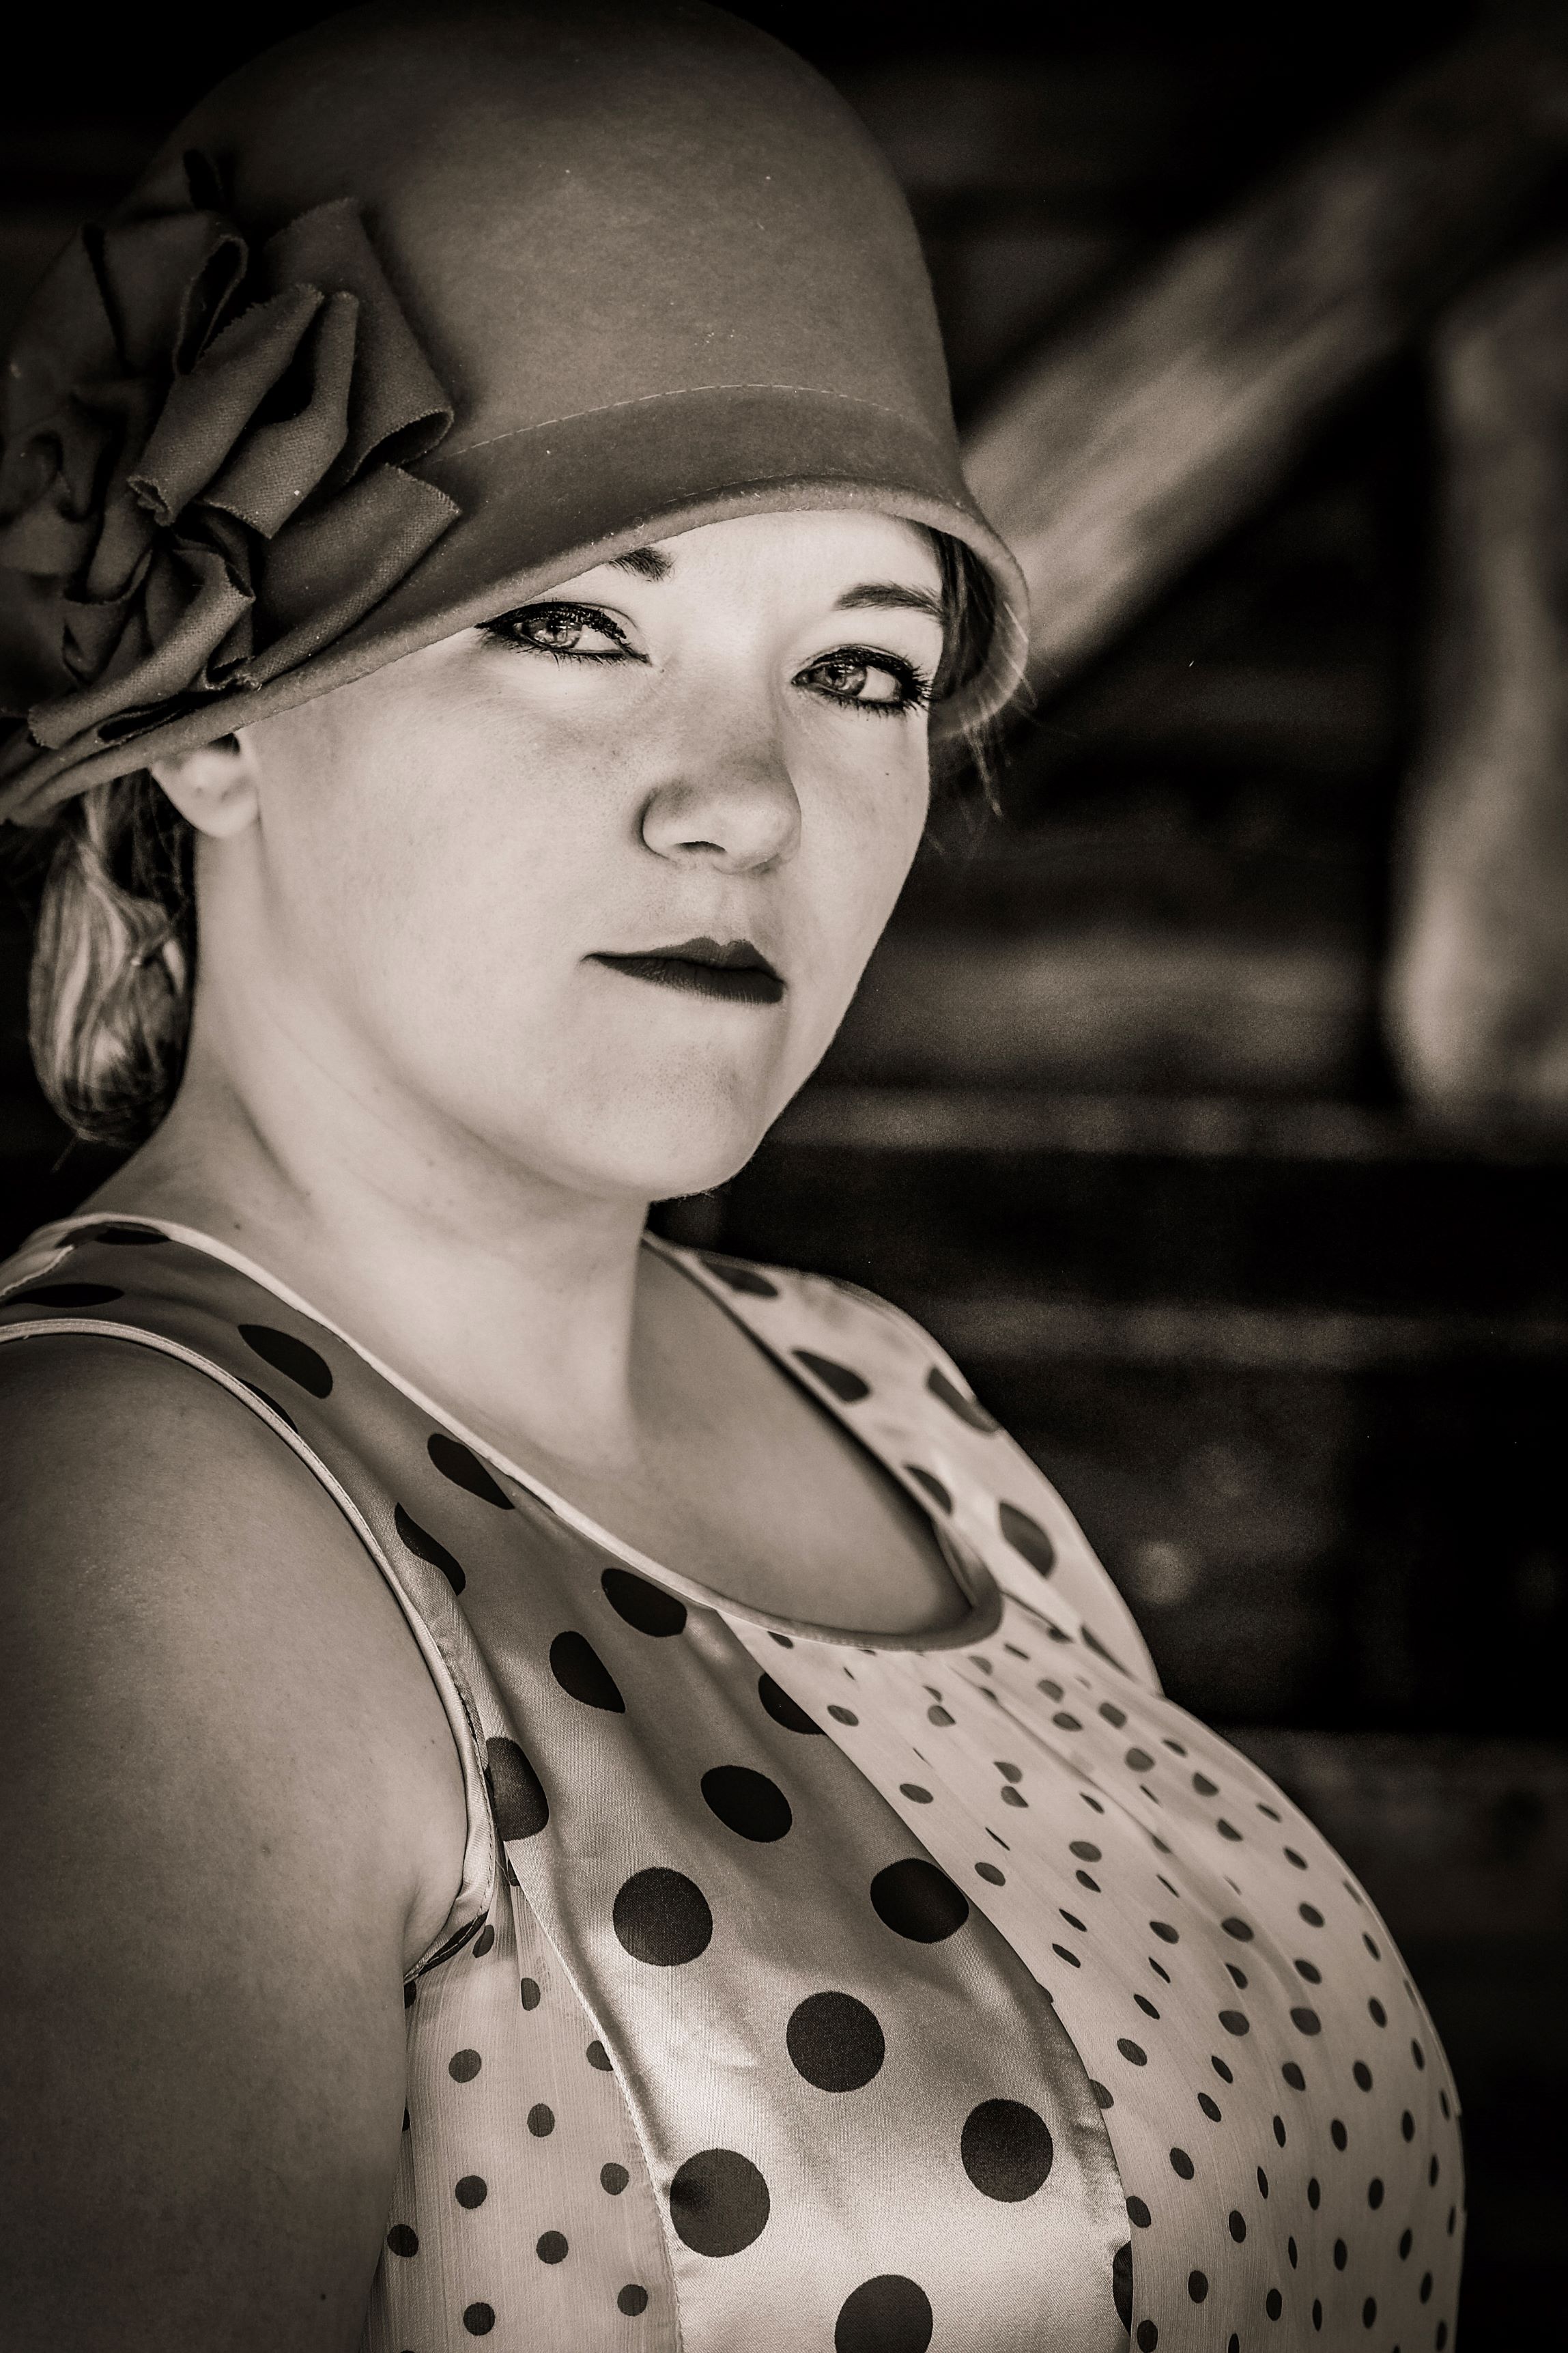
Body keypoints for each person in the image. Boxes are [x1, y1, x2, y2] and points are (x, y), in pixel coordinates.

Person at [0, 5, 1462, 2350]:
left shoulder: (883, 1399)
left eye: (860, 668)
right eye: (575, 624)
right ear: (213, 725)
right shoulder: (128, 1521)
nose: (749, 800)